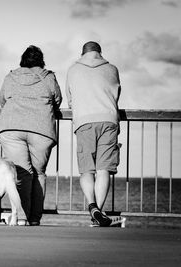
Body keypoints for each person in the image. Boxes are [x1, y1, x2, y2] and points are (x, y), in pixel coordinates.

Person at [0, 45, 62, 226]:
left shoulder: (11, 76)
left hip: (11, 128)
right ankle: (34, 218)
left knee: (22, 173)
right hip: (42, 128)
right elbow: (57, 100)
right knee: (38, 173)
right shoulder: (48, 77)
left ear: (22, 61)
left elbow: (2, 99)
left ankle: (22, 218)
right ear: (41, 61)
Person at [65, 41, 121, 227]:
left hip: (84, 121)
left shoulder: (73, 70)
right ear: (100, 53)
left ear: (82, 53)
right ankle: (99, 210)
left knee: (87, 169)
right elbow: (116, 94)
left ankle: (92, 205)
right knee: (103, 169)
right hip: (108, 120)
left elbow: (70, 100)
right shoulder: (112, 68)